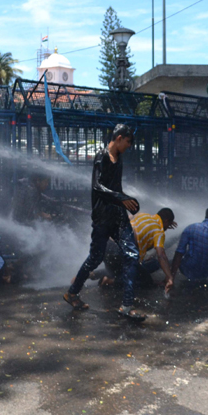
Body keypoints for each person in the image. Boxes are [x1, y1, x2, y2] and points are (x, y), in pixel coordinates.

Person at [65, 124, 146, 320]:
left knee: (132, 254)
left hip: (118, 217)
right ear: (119, 138)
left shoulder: (120, 158)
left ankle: (126, 306)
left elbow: (116, 187)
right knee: (95, 258)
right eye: (128, 142)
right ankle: (72, 293)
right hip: (102, 217)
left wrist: (126, 202)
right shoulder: (102, 156)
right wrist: (121, 198)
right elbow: (97, 186)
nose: (129, 146)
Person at [98, 208, 177, 291]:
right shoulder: (158, 231)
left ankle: (95, 274)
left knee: (119, 270)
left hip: (106, 245)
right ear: (166, 221)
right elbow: (161, 255)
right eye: (168, 225)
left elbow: (128, 218)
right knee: (146, 281)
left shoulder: (142, 215)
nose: (168, 228)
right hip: (118, 252)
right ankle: (110, 281)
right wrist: (169, 277)